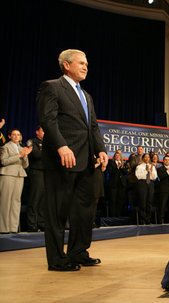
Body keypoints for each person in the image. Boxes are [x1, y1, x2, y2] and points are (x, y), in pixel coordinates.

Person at [36, 49, 108, 271]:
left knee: (84, 211)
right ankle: (57, 259)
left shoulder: (87, 96)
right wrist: (61, 146)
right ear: (66, 65)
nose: (86, 67)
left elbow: (93, 126)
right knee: (58, 212)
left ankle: (78, 252)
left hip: (86, 161)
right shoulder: (52, 87)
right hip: (62, 159)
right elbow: (48, 120)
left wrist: (101, 150)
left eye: (87, 63)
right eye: (81, 63)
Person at [0, 129, 32, 233]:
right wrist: (18, 156)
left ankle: (13, 228)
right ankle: (3, 228)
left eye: (18, 135)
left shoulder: (22, 148)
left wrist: (25, 156)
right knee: (6, 201)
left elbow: (25, 165)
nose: (16, 136)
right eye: (14, 135)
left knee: (16, 201)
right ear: (9, 136)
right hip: (8, 174)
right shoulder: (5, 147)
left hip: (19, 175)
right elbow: (4, 161)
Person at [26, 125, 46, 232]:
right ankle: (31, 224)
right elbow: (35, 154)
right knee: (35, 198)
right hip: (36, 172)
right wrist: (48, 151)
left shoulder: (49, 143)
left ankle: (42, 223)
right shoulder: (32, 142)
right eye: (43, 131)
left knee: (43, 200)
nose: (45, 133)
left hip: (46, 173)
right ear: (37, 132)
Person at [135, 153, 157, 225]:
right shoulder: (139, 167)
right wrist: (146, 171)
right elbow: (138, 176)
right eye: (145, 157)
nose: (147, 159)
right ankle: (142, 221)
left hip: (150, 184)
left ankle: (148, 220)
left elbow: (154, 177)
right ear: (143, 158)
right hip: (142, 183)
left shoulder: (152, 167)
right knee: (143, 202)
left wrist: (150, 171)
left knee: (149, 202)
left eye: (148, 157)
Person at [106, 151, 127, 217]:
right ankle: (113, 216)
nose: (117, 157)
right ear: (114, 157)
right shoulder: (111, 163)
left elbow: (125, 172)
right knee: (113, 200)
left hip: (121, 185)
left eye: (119, 156)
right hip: (113, 185)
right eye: (116, 156)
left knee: (120, 200)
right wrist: (117, 167)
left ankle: (119, 215)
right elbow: (110, 171)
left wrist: (122, 167)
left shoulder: (123, 164)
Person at [157, 155, 169, 223]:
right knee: (162, 206)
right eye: (165, 160)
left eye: (168, 160)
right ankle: (161, 220)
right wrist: (168, 171)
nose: (167, 161)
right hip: (164, 190)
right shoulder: (160, 169)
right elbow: (161, 177)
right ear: (163, 161)